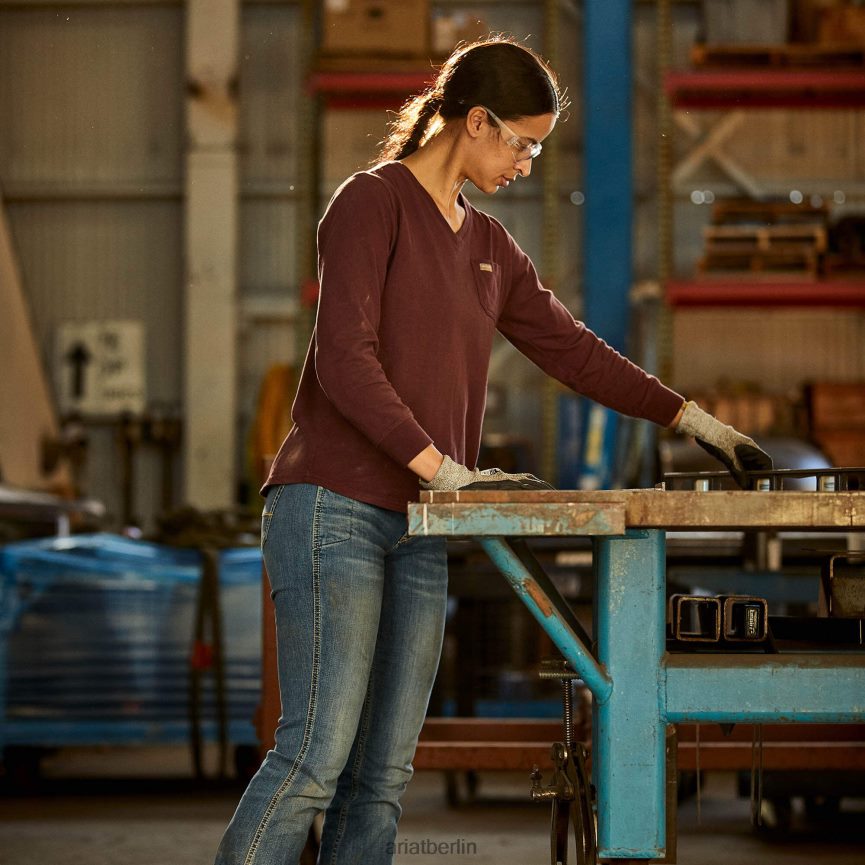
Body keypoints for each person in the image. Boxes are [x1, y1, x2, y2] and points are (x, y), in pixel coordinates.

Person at [214, 35, 772, 865]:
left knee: (382, 775)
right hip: (333, 509)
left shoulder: (489, 246)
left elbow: (574, 350)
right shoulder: (371, 204)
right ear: (475, 121)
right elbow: (343, 360)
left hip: (424, 527)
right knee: (312, 759)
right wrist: (440, 468)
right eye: (522, 142)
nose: (528, 164)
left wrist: (694, 421)